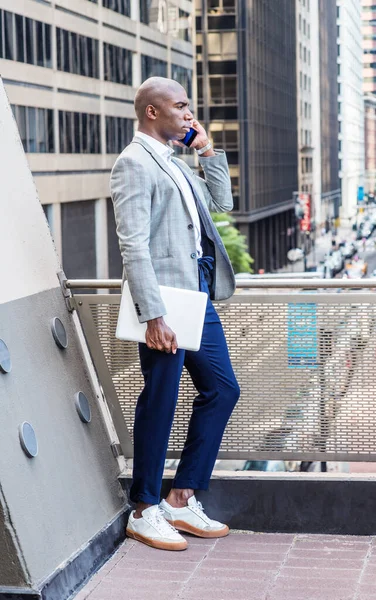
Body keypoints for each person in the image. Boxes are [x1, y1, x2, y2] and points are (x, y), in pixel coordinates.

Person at [110, 77, 240, 551]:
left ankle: (181, 499)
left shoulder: (176, 163)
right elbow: (133, 245)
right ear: (151, 112)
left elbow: (222, 205)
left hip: (197, 297)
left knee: (223, 388)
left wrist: (206, 151)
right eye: (181, 106)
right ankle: (144, 509)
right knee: (160, 399)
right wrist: (153, 314)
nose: (189, 115)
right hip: (164, 304)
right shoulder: (133, 164)